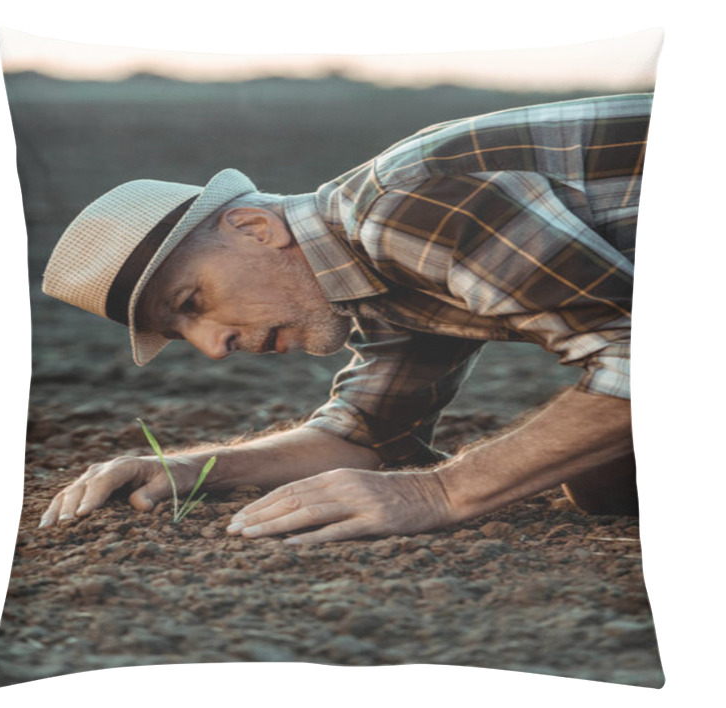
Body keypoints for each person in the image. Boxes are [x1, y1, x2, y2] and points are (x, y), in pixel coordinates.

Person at [39, 93, 650, 543]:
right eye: (182, 334)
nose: (212, 347)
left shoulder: (401, 209)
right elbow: (365, 436)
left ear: (253, 227)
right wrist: (189, 469)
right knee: (606, 481)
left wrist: (441, 491)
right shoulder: (375, 283)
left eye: (191, 303)